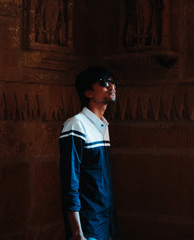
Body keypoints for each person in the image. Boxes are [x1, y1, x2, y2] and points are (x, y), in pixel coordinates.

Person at [59, 66, 118, 240]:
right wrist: (77, 233)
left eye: (113, 82)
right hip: (88, 227)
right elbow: (70, 181)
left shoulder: (102, 126)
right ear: (88, 93)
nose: (112, 87)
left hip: (106, 224)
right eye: (104, 83)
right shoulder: (76, 125)